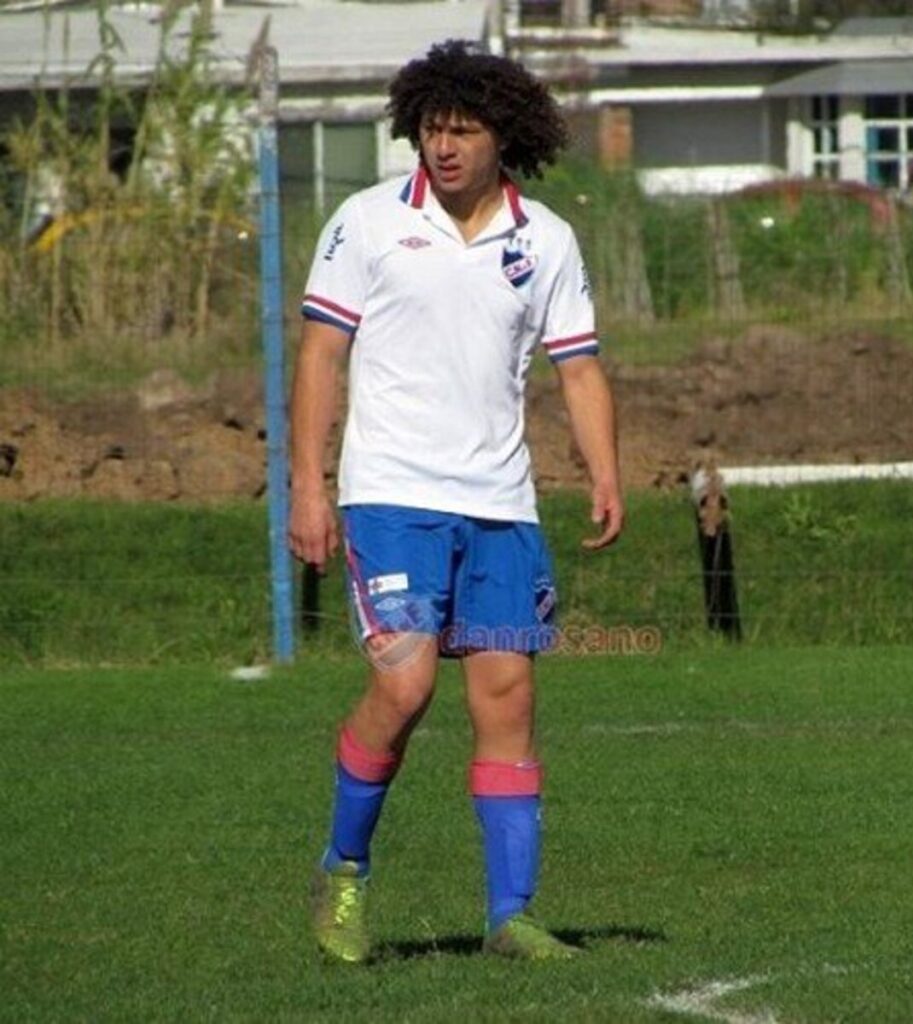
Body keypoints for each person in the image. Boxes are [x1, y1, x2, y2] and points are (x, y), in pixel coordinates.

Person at [288, 39, 623, 963]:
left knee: (507, 696)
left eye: (465, 130)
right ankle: (343, 869)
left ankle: (510, 915)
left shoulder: (545, 238)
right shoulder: (365, 222)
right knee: (404, 681)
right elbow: (321, 355)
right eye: (433, 128)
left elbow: (579, 367)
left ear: (502, 137)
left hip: (502, 504)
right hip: (391, 494)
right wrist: (308, 487)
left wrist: (602, 471)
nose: (445, 146)